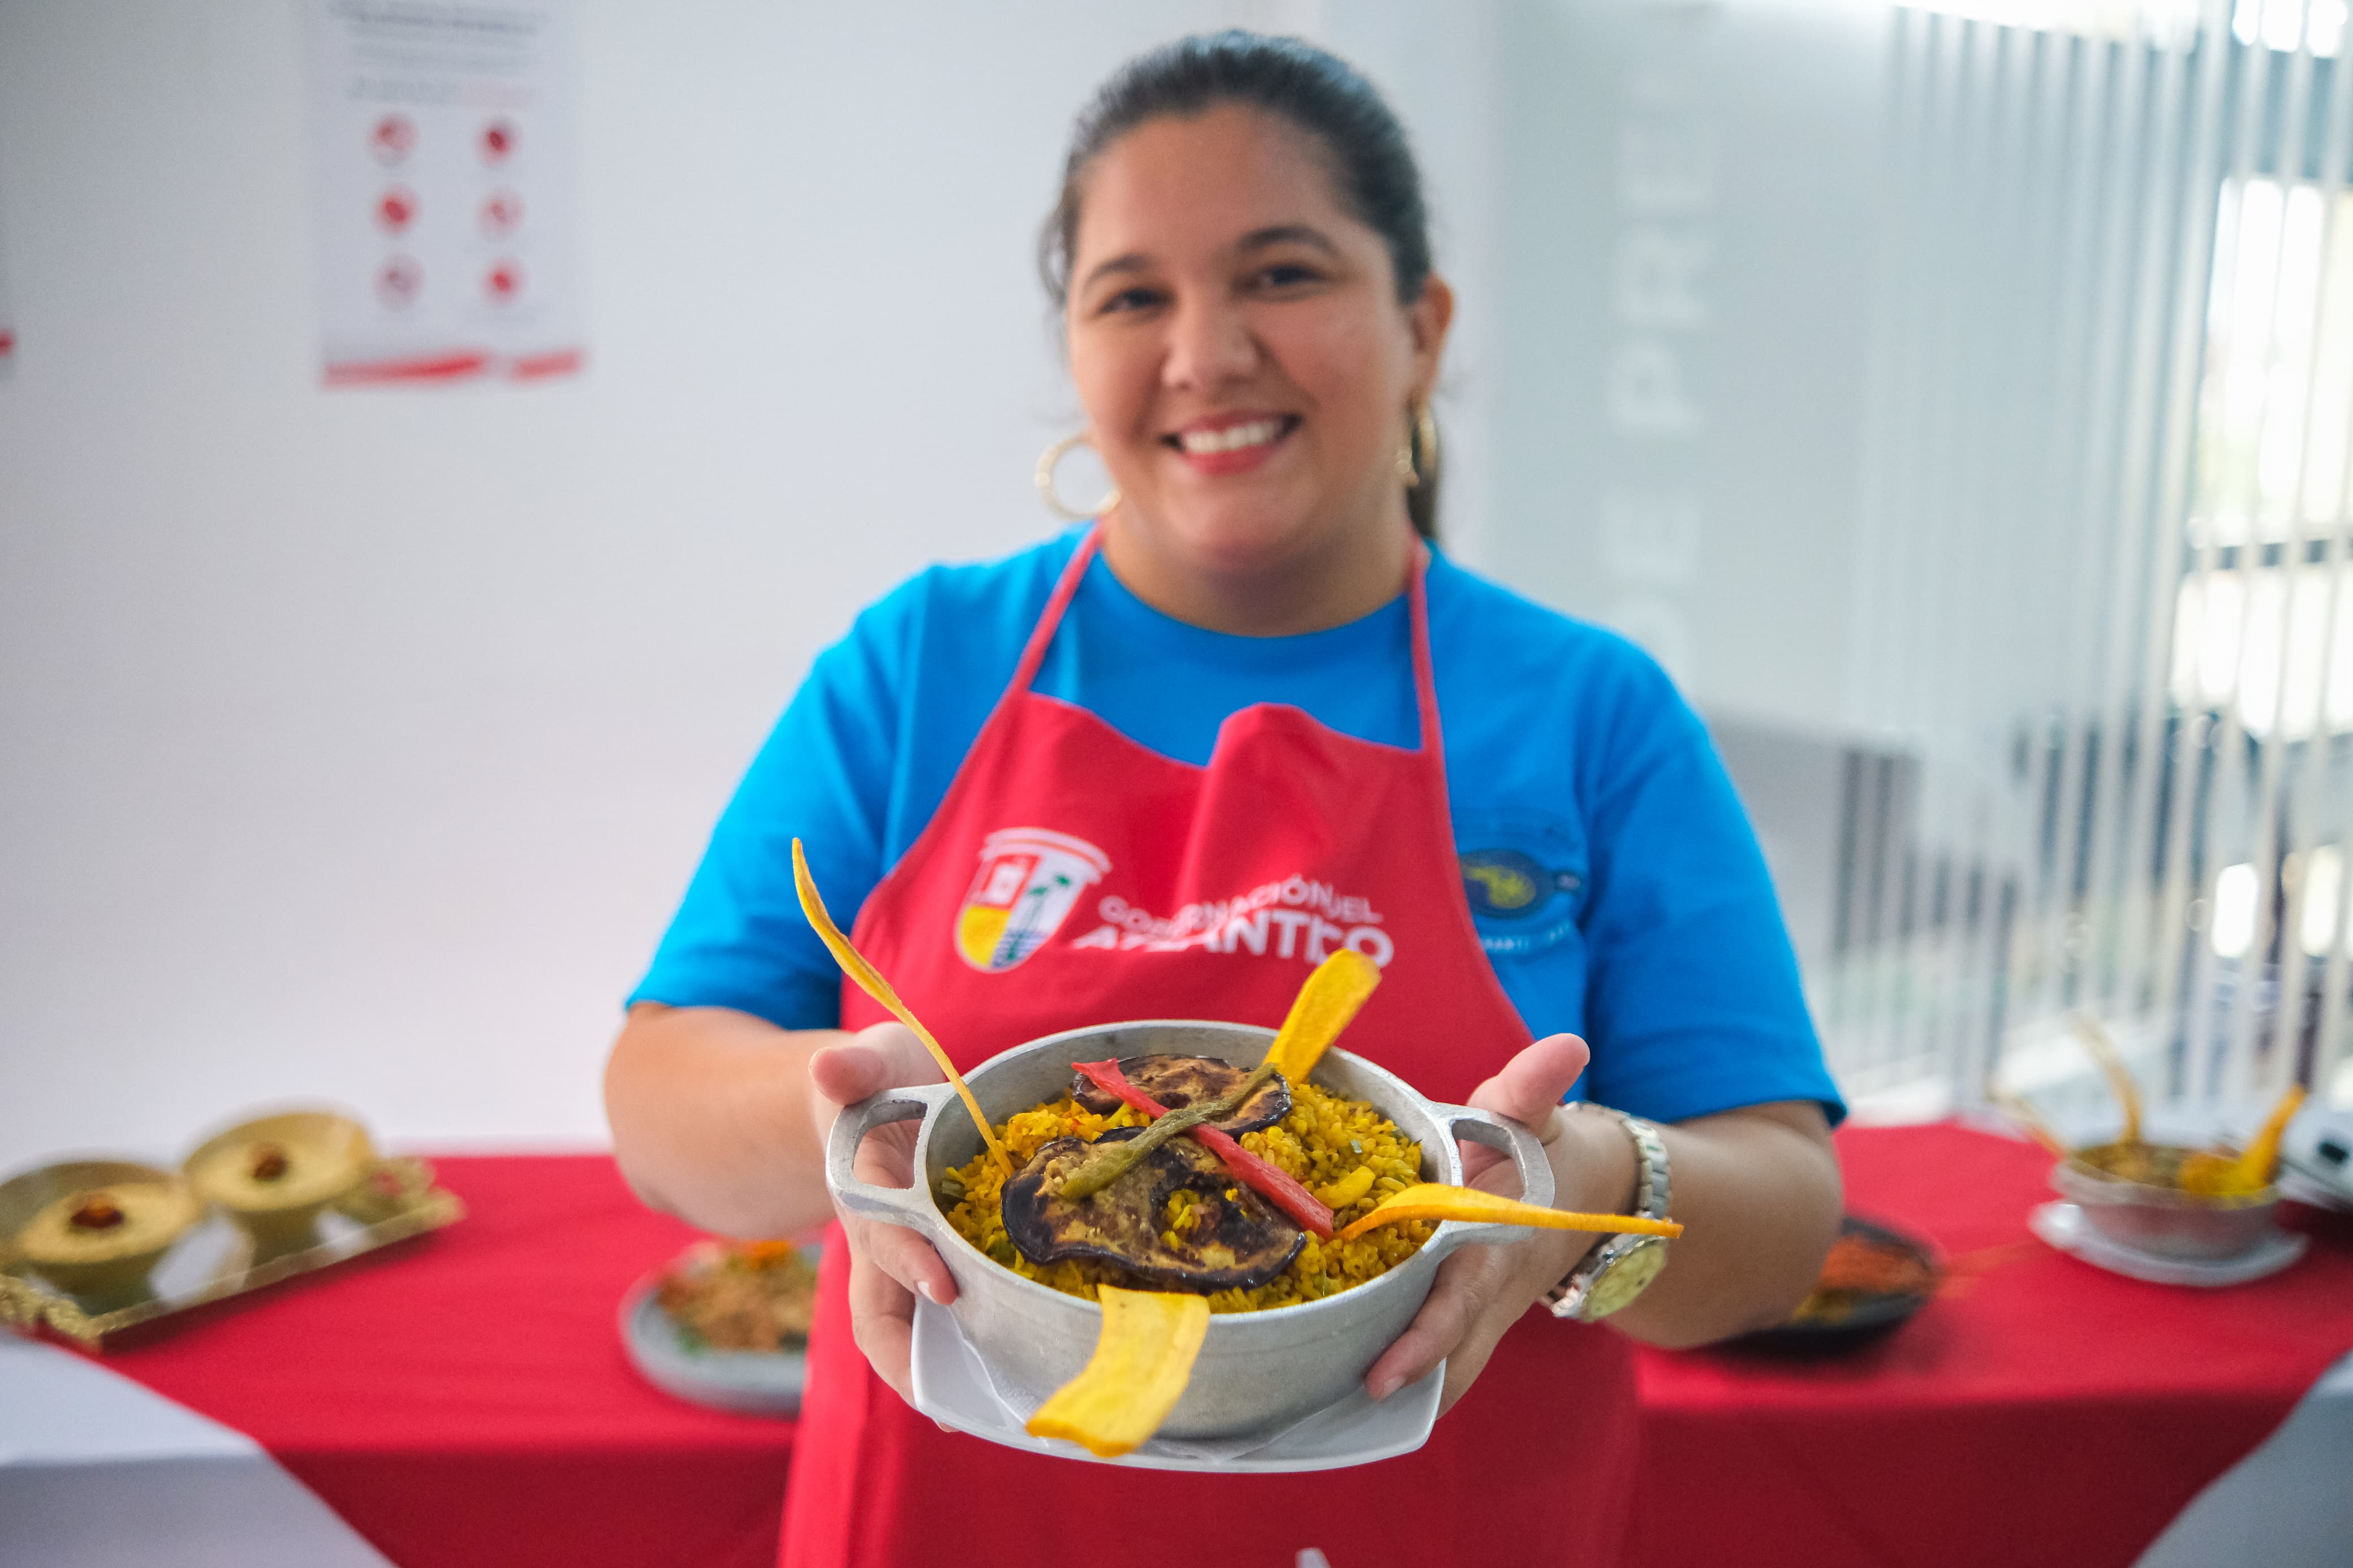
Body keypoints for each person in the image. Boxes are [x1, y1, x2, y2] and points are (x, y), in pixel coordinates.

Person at [606, 31, 1843, 1568]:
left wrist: (1583, 1191)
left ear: (1423, 327)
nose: (1205, 352)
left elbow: (1785, 1222)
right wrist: (865, 1138)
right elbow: (658, 1103)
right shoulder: (924, 664)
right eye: (1135, 296)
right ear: (1075, 350)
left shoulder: (1591, 715)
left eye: (1281, 275)